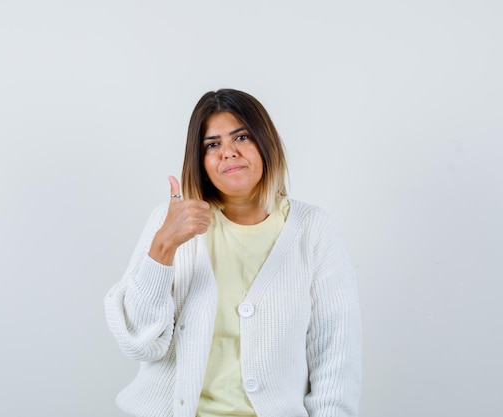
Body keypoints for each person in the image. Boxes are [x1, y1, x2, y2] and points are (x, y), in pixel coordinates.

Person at [104, 89, 362, 417]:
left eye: (241, 137)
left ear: (266, 143)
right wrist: (164, 246)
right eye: (212, 144)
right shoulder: (171, 222)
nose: (228, 152)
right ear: (199, 160)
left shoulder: (313, 228)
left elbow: (336, 355)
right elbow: (139, 342)